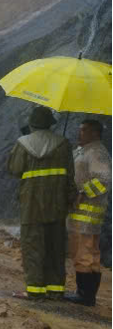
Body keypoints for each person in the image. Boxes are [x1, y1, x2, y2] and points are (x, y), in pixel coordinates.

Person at [7, 106, 77, 300]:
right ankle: (55, 290)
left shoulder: (23, 144)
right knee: (55, 246)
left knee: (33, 245)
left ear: (32, 123)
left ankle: (35, 289)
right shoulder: (63, 144)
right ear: (50, 124)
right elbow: (70, 176)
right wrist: (71, 198)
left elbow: (14, 169)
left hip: (31, 205)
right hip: (57, 204)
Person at [65, 119, 110, 306]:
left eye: (83, 130)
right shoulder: (85, 151)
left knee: (84, 252)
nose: (79, 133)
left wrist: (83, 193)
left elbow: (105, 179)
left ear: (95, 133)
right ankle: (85, 293)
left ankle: (84, 295)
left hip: (87, 214)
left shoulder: (96, 152)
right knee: (87, 252)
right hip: (80, 214)